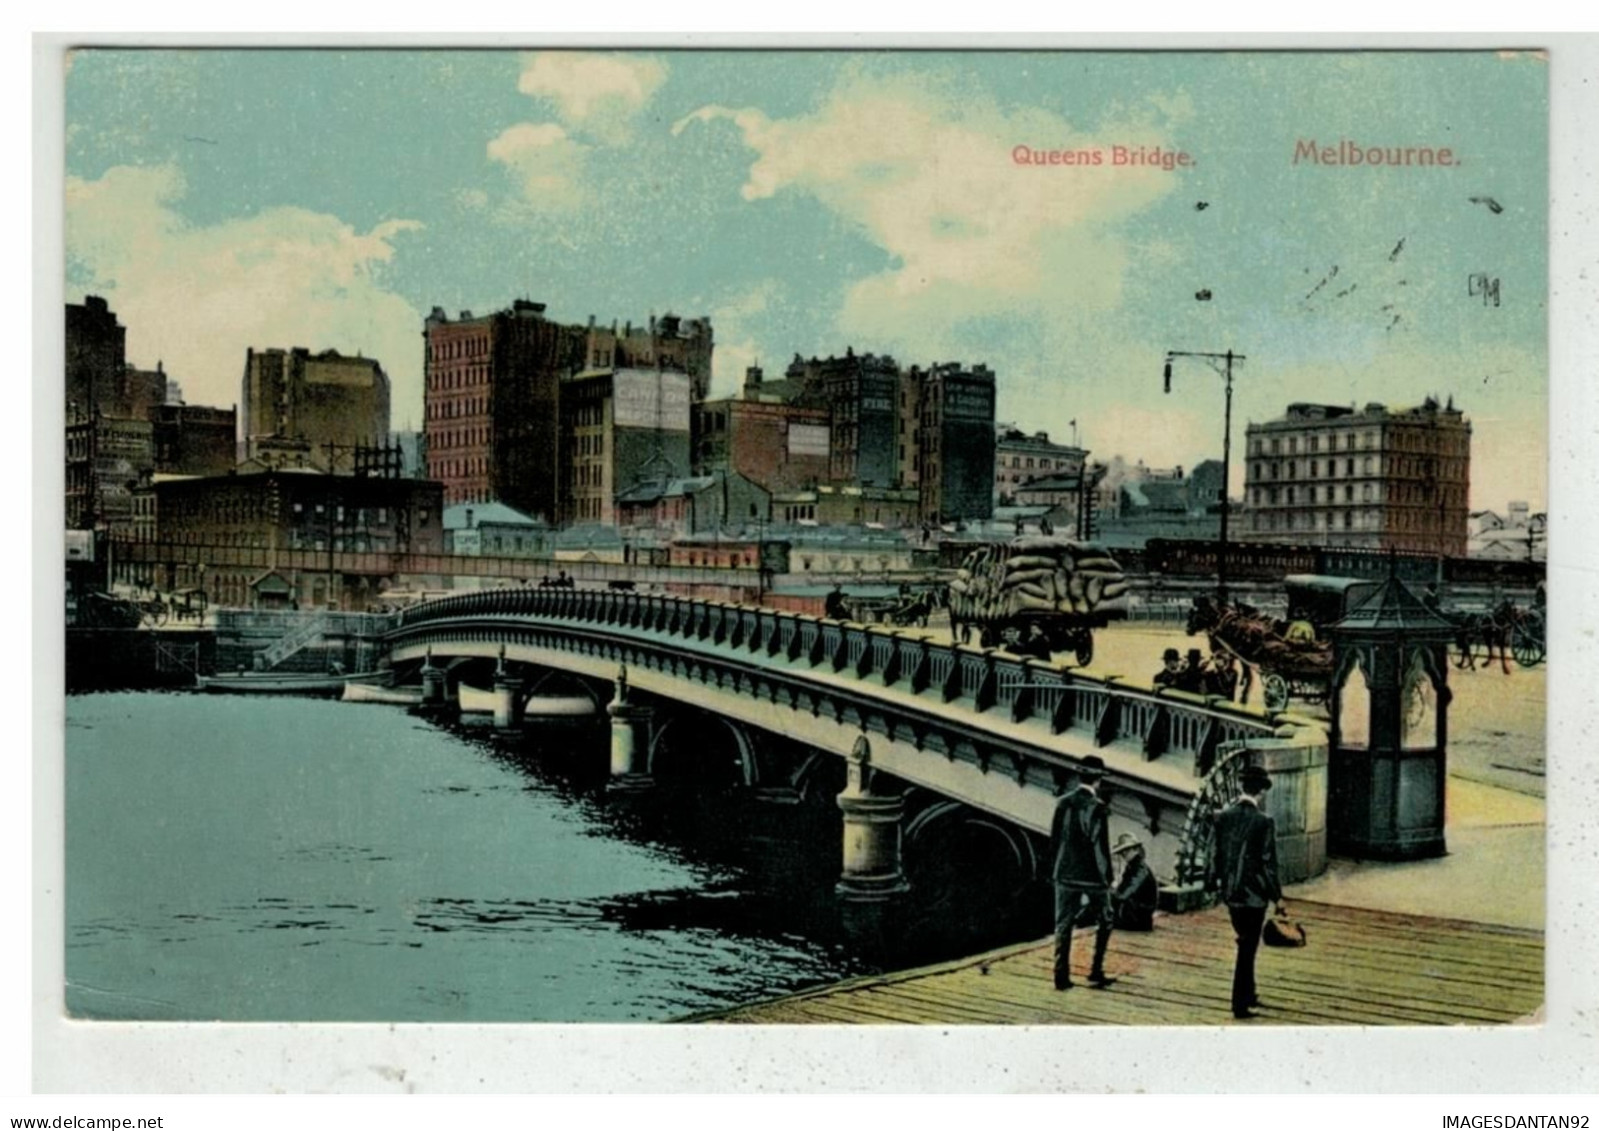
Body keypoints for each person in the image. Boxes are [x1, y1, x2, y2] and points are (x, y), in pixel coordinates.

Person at [1211, 764, 1286, 1020]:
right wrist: (1278, 897)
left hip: (1232, 894)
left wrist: (1216, 884)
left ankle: (1249, 993)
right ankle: (1240, 1003)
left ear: (1242, 788)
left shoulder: (1223, 816)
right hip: (1254, 897)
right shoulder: (1264, 822)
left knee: (1245, 942)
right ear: (1261, 793)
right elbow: (1267, 863)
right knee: (1247, 948)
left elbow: (1215, 854)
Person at [1049, 755, 1117, 991]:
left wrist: (1055, 870)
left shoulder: (1062, 802)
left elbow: (1055, 841)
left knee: (1063, 925)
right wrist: (1107, 878)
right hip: (1091, 877)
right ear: (1098, 780)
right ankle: (1095, 971)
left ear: (1080, 776)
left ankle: (1061, 977)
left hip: (1064, 873)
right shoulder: (1097, 808)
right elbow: (1100, 847)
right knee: (1106, 919)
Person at [1111, 833, 1158, 931]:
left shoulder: (1140, 869)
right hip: (1136, 914)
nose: (1124, 854)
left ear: (1136, 850)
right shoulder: (1132, 867)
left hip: (1138, 917)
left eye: (1127, 850)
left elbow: (1127, 892)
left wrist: (1111, 895)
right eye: (1122, 851)